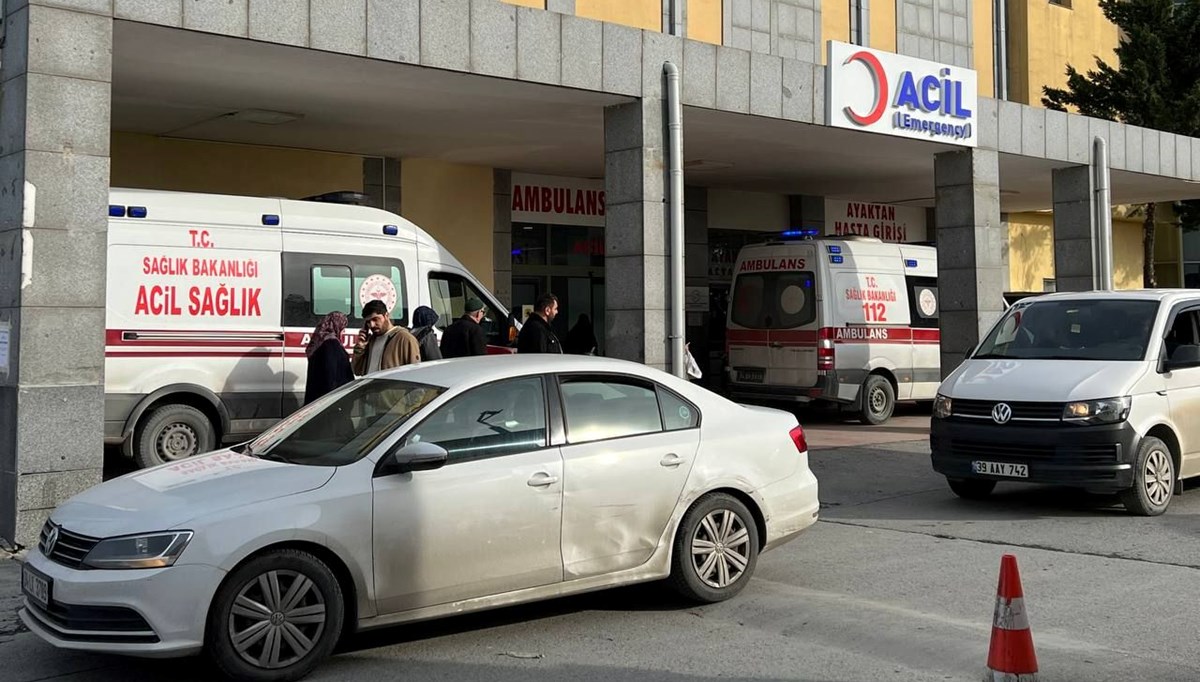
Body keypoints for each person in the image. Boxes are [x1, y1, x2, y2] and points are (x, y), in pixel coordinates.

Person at [352, 299, 421, 376]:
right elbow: (357, 371)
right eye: (368, 322)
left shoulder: (404, 338)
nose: (371, 325)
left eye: (375, 319)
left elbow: (414, 372)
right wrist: (360, 348)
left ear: (386, 316)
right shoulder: (370, 341)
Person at [303, 311, 355, 404]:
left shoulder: (319, 343)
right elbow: (331, 376)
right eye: (343, 327)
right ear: (336, 326)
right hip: (330, 401)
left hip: (316, 399)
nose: (344, 331)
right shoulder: (331, 345)